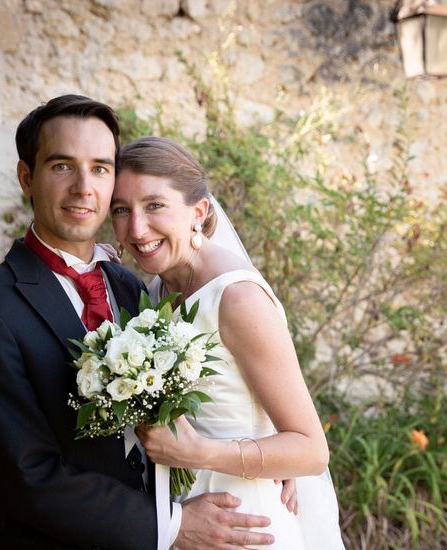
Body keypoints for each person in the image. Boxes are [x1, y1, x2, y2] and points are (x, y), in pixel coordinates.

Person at [0, 95, 275, 549]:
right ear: (27, 177)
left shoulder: (132, 287)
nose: (84, 187)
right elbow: (28, 479)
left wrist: (265, 459)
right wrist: (173, 528)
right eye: (62, 166)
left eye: (100, 168)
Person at [111, 136, 345, 549]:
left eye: (154, 206)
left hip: (245, 525)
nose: (136, 228)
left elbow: (311, 450)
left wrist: (199, 452)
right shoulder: (155, 290)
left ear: (198, 212)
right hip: (183, 521)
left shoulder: (237, 298)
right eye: (121, 210)